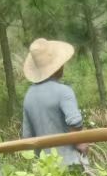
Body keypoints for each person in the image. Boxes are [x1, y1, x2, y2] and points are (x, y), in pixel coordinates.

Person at [21, 38, 89, 168]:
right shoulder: (64, 92)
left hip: (44, 168)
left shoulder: (28, 96)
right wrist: (81, 142)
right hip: (70, 163)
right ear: (56, 67)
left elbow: (27, 136)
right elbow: (75, 121)